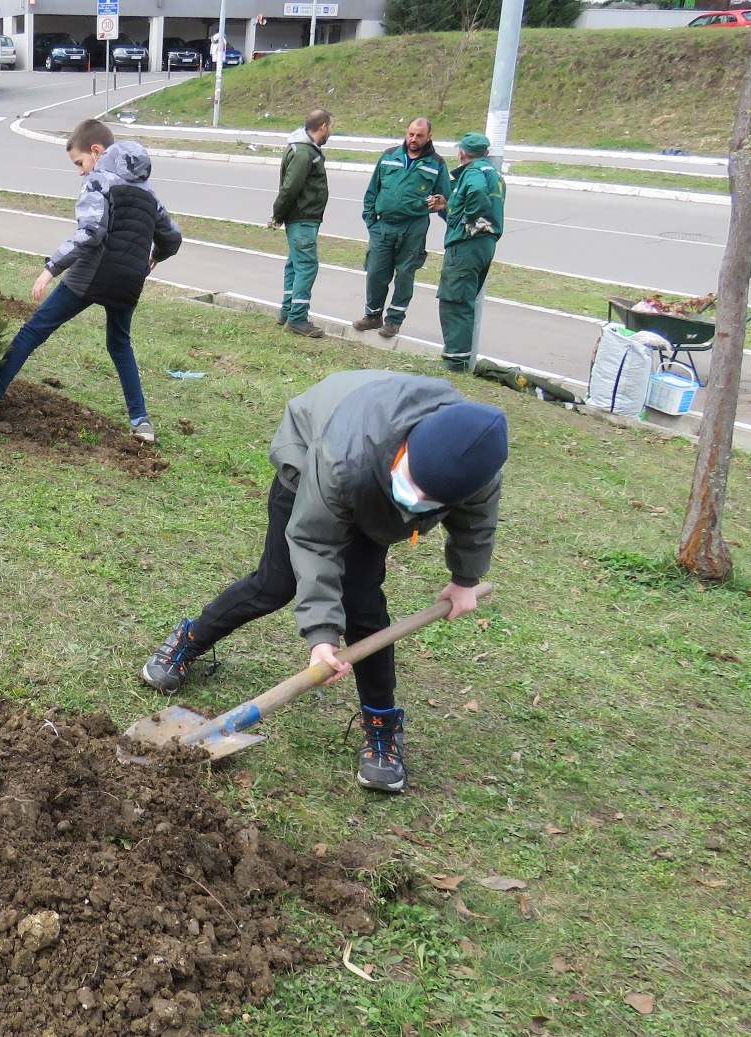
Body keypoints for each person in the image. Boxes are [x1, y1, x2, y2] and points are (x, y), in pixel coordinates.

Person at [139, 370, 508, 794]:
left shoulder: (474, 464)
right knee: (275, 583)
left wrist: (465, 578)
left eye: (429, 498)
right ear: (408, 446)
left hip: (373, 496)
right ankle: (191, 637)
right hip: (312, 463)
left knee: (364, 607)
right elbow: (314, 540)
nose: (415, 497)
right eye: (411, 482)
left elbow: (476, 519)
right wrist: (320, 635)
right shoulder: (344, 453)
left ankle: (381, 722)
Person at [0, 120, 182, 444]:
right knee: (119, 344)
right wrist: (155, 257)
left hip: (92, 274)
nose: (81, 171)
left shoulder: (99, 180)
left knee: (33, 331)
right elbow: (173, 237)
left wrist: (50, 268)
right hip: (130, 282)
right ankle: (141, 422)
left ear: (96, 151)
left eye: (80, 163)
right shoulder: (148, 192)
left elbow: (91, 232)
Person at [354, 118, 449, 340]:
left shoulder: (437, 164)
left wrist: (440, 205)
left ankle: (394, 320)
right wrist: (371, 222)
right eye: (411, 134)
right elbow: (372, 190)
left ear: (429, 137)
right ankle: (373, 315)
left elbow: (445, 199)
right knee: (376, 272)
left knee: (405, 274)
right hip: (383, 226)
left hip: (414, 227)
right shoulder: (389, 157)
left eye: (419, 136)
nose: (414, 139)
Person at [438, 132, 506, 372]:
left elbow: (476, 198)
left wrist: (464, 218)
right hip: (484, 245)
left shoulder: (473, 172)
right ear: (486, 153)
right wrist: (446, 208)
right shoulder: (495, 176)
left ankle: (455, 363)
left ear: (462, 153)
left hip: (466, 246)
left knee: (455, 301)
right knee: (464, 300)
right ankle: (459, 359)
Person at [272, 109, 331, 339]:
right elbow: (290, 187)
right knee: (307, 266)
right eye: (330, 128)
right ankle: (298, 318)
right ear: (323, 126)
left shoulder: (300, 148)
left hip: (302, 217)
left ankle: (287, 311)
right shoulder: (304, 153)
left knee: (294, 265)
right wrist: (277, 213)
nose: (330, 133)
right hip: (303, 218)